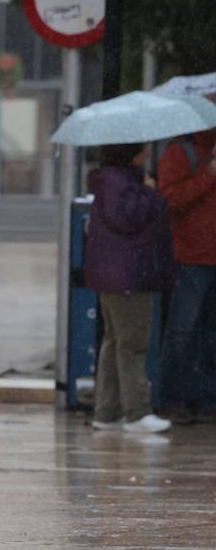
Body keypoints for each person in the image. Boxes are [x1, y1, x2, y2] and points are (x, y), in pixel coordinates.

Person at [83, 144, 174, 434]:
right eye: (143, 150)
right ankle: (136, 412)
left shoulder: (111, 181)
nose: (147, 154)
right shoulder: (122, 184)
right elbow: (130, 218)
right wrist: (149, 190)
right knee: (133, 344)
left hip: (113, 276)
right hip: (129, 277)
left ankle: (107, 412)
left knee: (114, 342)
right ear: (131, 154)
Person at [156, 128, 216, 422]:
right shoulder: (180, 152)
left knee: (211, 335)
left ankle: (207, 401)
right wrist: (209, 174)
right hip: (191, 257)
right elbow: (170, 201)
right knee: (182, 330)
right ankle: (172, 399)